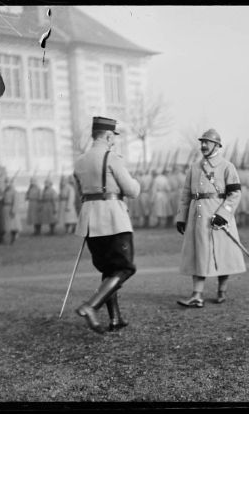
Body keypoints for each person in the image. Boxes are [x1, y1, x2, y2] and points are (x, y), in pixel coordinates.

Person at [73, 116, 140, 334]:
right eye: (113, 137)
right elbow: (131, 190)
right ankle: (91, 306)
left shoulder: (79, 161)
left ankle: (115, 318)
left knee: (109, 269)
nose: (114, 141)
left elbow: (80, 192)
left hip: (89, 221)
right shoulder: (112, 158)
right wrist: (136, 182)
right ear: (109, 136)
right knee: (125, 268)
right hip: (113, 219)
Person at [175, 129, 245, 307]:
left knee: (222, 253)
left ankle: (222, 290)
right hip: (197, 218)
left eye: (207, 142)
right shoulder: (194, 167)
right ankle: (197, 295)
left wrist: (223, 215)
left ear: (217, 145)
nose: (203, 145)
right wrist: (182, 217)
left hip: (218, 217)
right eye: (202, 142)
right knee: (198, 253)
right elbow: (186, 194)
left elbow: (235, 194)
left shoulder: (227, 166)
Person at [3, 176, 22, 244]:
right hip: (6, 209)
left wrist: (13, 210)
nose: (6, 184)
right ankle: (11, 236)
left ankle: (14, 236)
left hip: (11, 208)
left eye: (8, 182)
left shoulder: (14, 192)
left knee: (13, 224)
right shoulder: (5, 191)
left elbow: (16, 202)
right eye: (5, 182)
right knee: (9, 225)